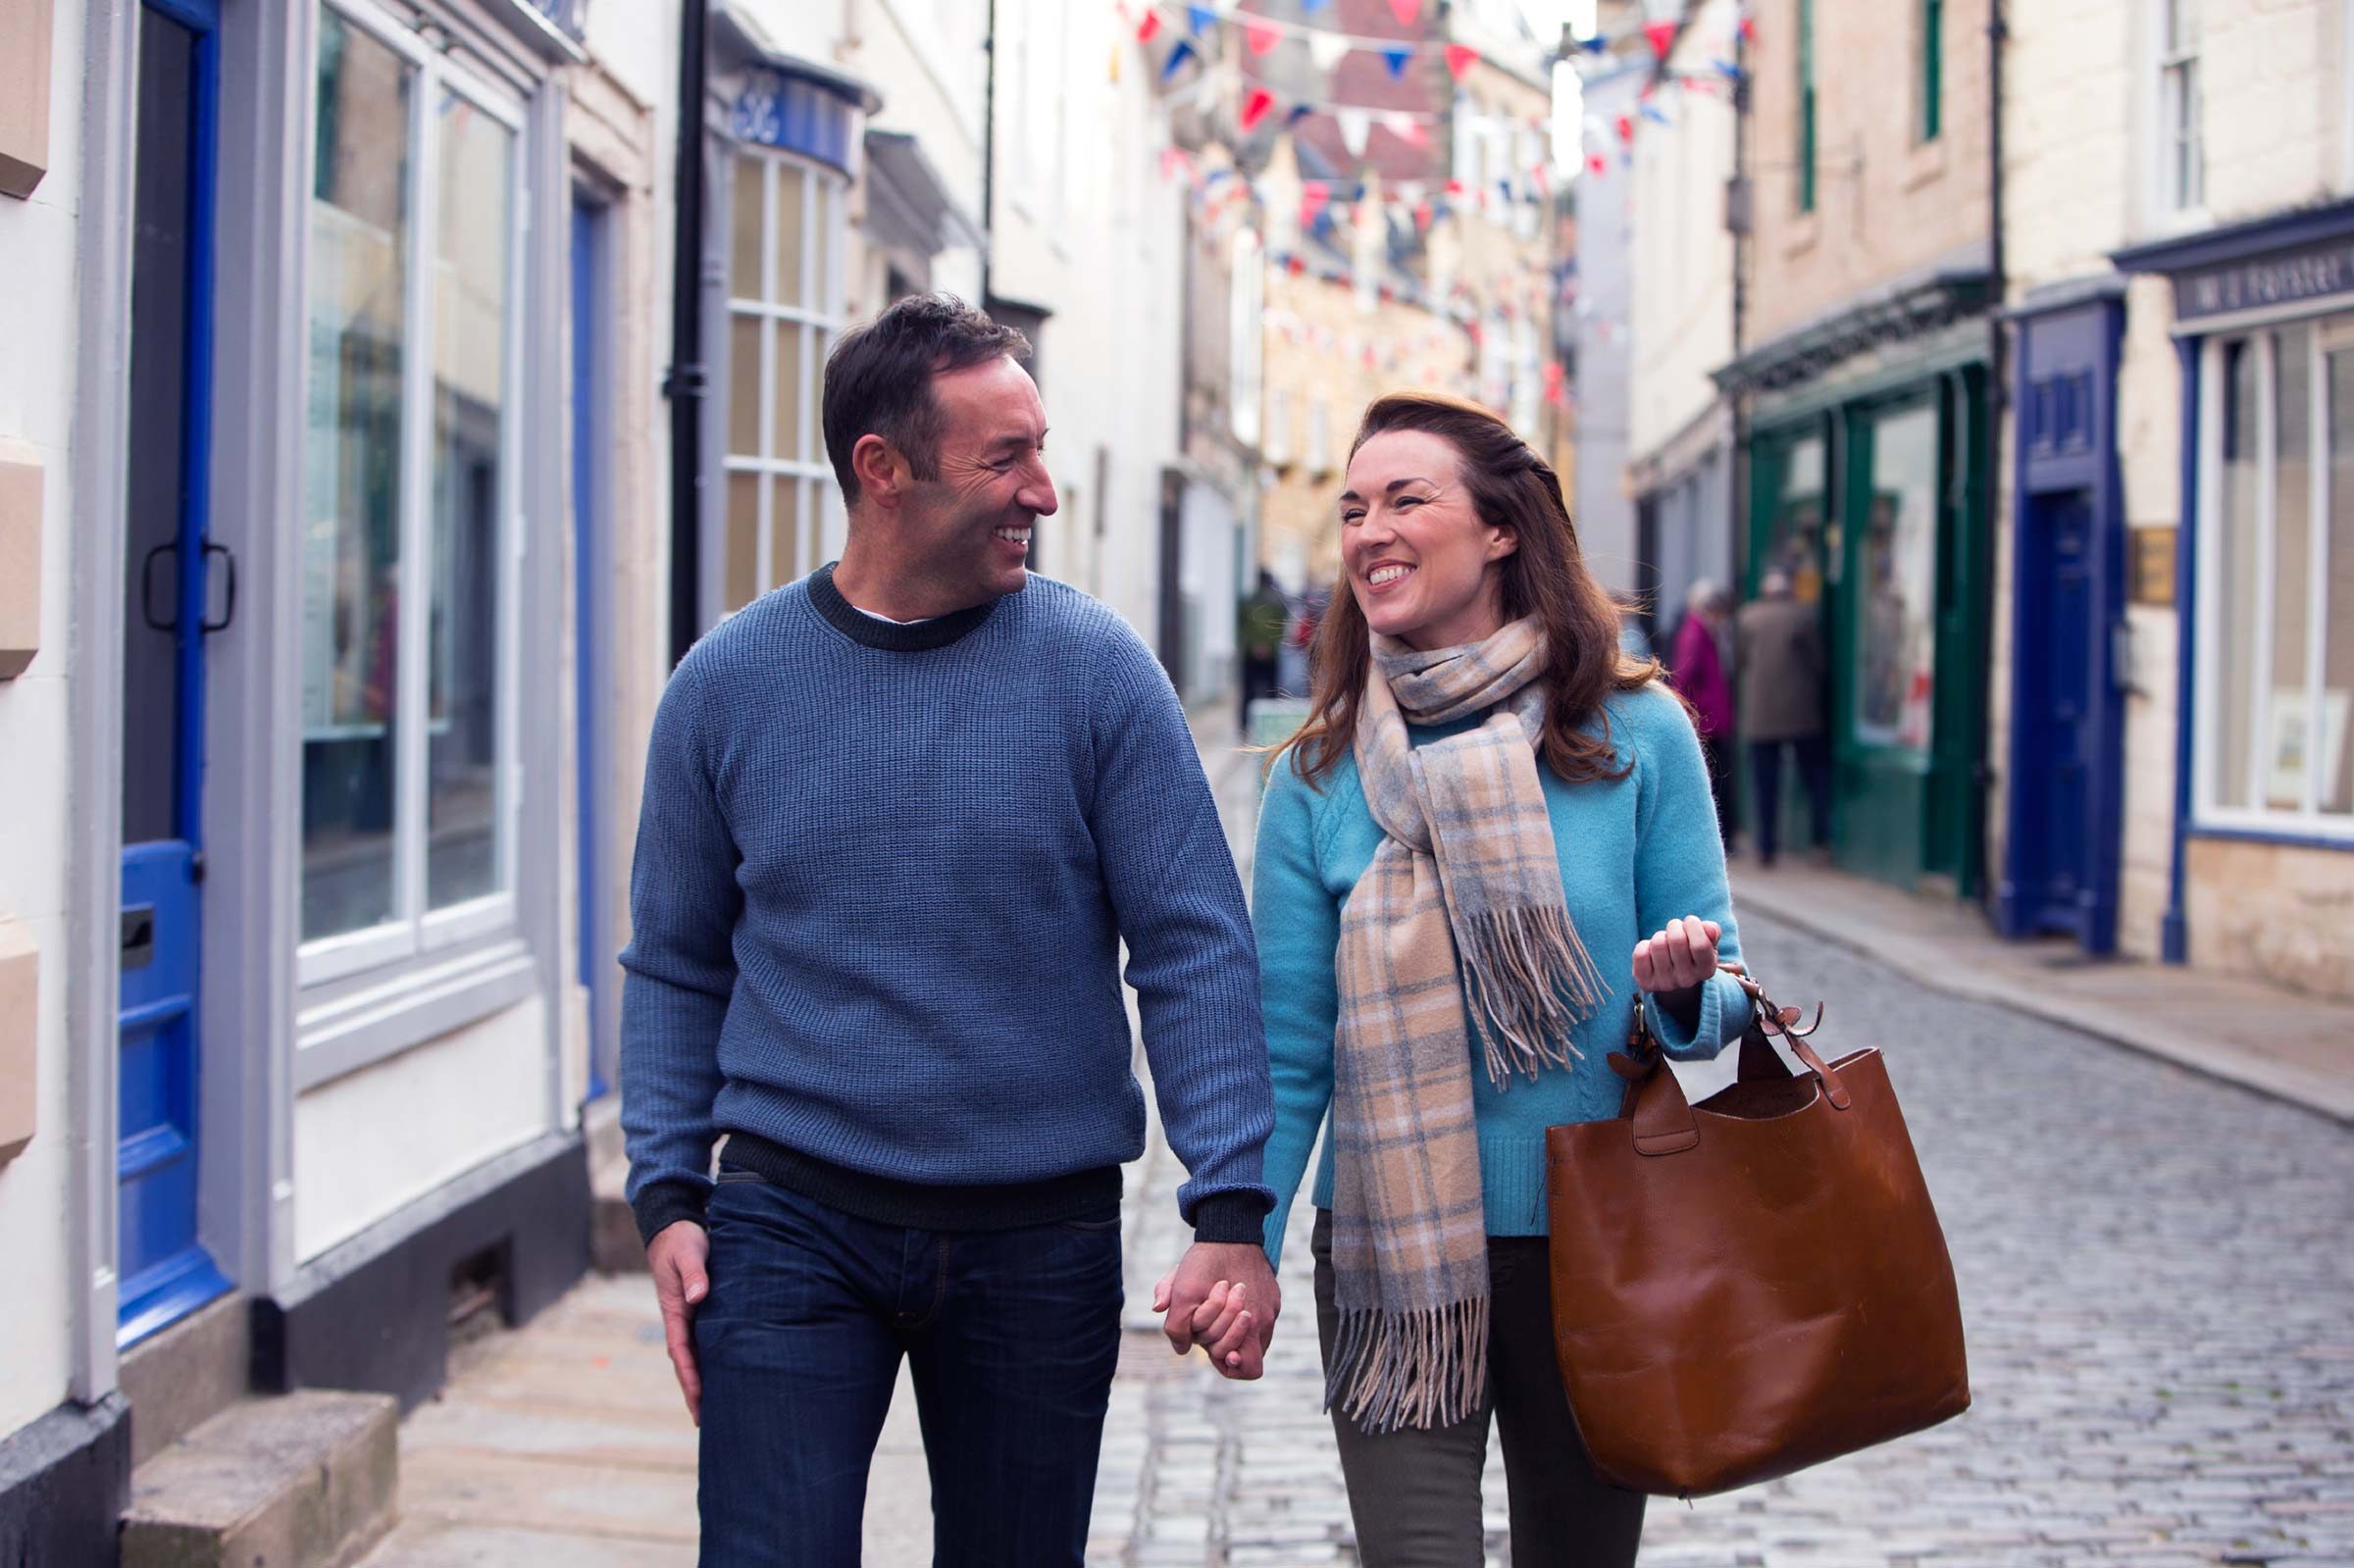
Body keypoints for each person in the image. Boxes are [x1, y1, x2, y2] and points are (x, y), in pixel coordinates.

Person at [619, 294, 1280, 1568]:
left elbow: (1194, 946)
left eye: (1042, 447)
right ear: (883, 470)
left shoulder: (1098, 673)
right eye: (1005, 458)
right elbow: (678, 957)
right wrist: (665, 1189)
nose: (1042, 487)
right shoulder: (727, 687)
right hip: (789, 1215)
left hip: (1042, 1234)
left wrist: (1230, 1202)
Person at [1243, 392, 1754, 1567]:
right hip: (1391, 1255)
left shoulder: (1636, 734)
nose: (1371, 529)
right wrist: (1245, 1244)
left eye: (1407, 498)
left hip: (1597, 1247)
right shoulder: (1317, 780)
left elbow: (1728, 1035)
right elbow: (1286, 1049)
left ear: (1504, 531)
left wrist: (1682, 995)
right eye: (1354, 507)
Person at [1734, 568, 1832, 866]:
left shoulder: (1748, 617)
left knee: (1765, 783)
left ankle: (1765, 847)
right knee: (1814, 776)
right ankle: (1821, 840)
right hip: (1799, 712)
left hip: (1760, 714)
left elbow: (1739, 662)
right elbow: (1819, 664)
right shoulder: (1802, 616)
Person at [1668, 580, 1738, 851]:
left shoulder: (1702, 633)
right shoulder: (1696, 634)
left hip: (1710, 718)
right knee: (1714, 780)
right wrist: (1693, 716)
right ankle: (1719, 837)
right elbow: (1685, 677)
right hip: (1707, 720)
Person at [1239, 569, 1289, 731]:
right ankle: (1270, 727)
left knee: (1248, 692)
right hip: (1270, 653)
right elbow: (1282, 626)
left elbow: (1241, 627)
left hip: (1250, 653)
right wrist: (1269, 645)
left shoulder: (1248, 601)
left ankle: (1245, 726)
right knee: (1271, 692)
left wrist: (1252, 645)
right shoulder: (1277, 602)